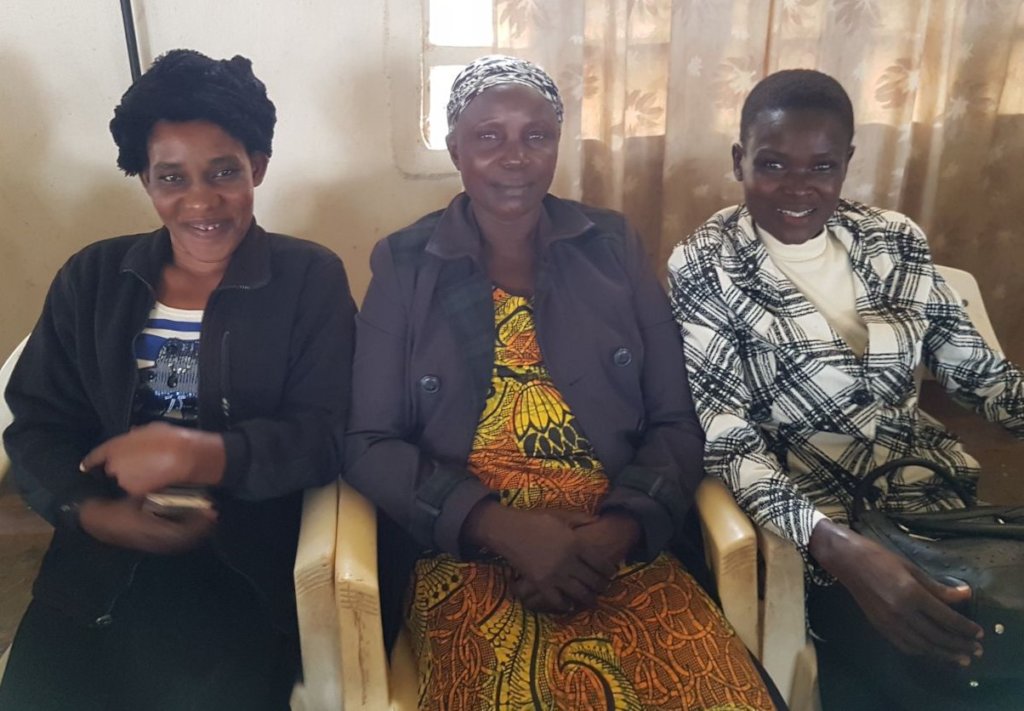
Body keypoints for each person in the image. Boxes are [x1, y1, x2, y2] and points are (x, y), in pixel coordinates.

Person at [345, 55, 777, 710]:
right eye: (489, 136)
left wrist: (615, 533)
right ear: (456, 148)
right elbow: (368, 442)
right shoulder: (406, 265)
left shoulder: (612, 247)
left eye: (536, 135)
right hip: (467, 555)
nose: (515, 156)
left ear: (557, 144)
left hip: (618, 544)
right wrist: (498, 526)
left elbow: (675, 420)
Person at [0, 49, 356, 710]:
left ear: (257, 166)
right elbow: (38, 424)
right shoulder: (93, 278)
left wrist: (201, 454)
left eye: (224, 171)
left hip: (243, 556)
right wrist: (92, 511)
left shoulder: (309, 279)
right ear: (144, 178)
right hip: (99, 558)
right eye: (171, 177)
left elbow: (326, 434)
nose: (200, 201)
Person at [667, 68, 1024, 709]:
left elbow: (981, 376)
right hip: (808, 519)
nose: (798, 187)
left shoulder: (894, 240)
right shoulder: (704, 263)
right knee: (941, 659)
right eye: (773, 164)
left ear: (847, 163)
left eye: (822, 166)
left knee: (991, 634)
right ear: (740, 160)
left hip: (931, 502)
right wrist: (839, 549)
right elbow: (727, 439)